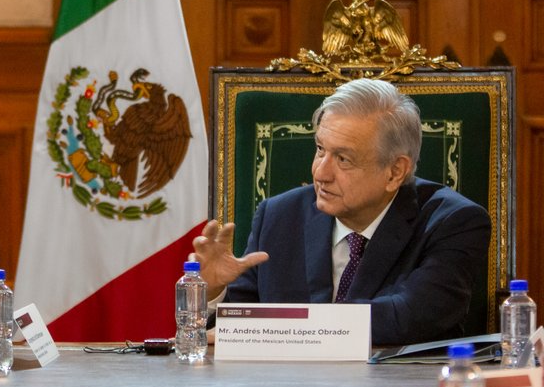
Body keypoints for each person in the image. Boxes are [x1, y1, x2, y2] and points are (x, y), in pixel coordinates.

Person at [193, 77, 491, 346]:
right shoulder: (279, 216)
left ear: (394, 171)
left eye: (343, 159)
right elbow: (229, 332)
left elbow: (410, 315)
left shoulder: (453, 222)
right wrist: (212, 292)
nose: (320, 173)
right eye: (320, 149)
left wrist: (289, 328)